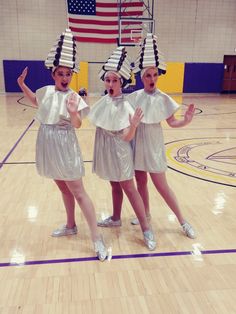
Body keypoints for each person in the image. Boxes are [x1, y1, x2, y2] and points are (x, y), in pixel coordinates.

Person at [17, 29, 107, 261]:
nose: (65, 78)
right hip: (47, 142)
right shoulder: (46, 91)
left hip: (65, 144)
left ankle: (97, 238)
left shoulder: (74, 97)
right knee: (62, 188)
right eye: (61, 74)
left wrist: (74, 112)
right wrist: (21, 84)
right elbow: (36, 101)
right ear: (53, 74)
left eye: (68, 74)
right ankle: (70, 224)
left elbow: (77, 124)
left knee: (78, 191)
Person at [97, 33, 196, 239]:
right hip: (135, 145)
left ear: (158, 76)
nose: (152, 79)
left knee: (162, 186)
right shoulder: (133, 97)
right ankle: (146, 214)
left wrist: (185, 120)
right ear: (142, 78)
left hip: (153, 146)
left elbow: (172, 122)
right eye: (148, 75)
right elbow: (116, 103)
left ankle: (183, 221)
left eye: (155, 75)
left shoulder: (163, 98)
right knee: (140, 183)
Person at [88, 46, 156, 250]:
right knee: (114, 185)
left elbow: (127, 137)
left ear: (122, 82)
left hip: (121, 150)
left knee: (129, 187)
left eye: (114, 80)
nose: (110, 83)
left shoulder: (126, 106)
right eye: (107, 80)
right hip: (107, 149)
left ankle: (146, 228)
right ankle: (116, 217)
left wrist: (134, 125)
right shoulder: (102, 103)